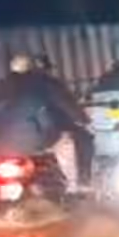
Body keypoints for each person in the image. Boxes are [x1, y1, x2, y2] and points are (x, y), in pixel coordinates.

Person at [0, 54, 92, 193]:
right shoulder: (44, 83)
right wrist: (83, 120)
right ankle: (74, 186)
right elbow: (66, 104)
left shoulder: (1, 86)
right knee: (66, 143)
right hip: (34, 138)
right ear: (34, 68)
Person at [30, 52, 94, 193]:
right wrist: (83, 120)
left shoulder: (19, 86)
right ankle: (81, 181)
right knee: (86, 139)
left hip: (20, 136)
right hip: (50, 131)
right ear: (47, 69)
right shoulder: (50, 84)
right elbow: (66, 104)